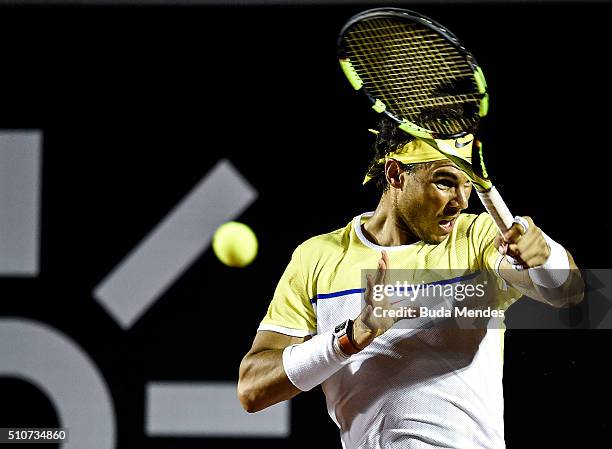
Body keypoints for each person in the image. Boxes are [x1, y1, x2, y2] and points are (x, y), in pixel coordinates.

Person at [237, 116, 583, 449]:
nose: (460, 202)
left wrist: (545, 256)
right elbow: (253, 390)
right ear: (395, 174)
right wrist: (349, 339)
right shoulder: (317, 256)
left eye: (468, 185)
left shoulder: (478, 237)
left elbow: (568, 294)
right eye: (445, 182)